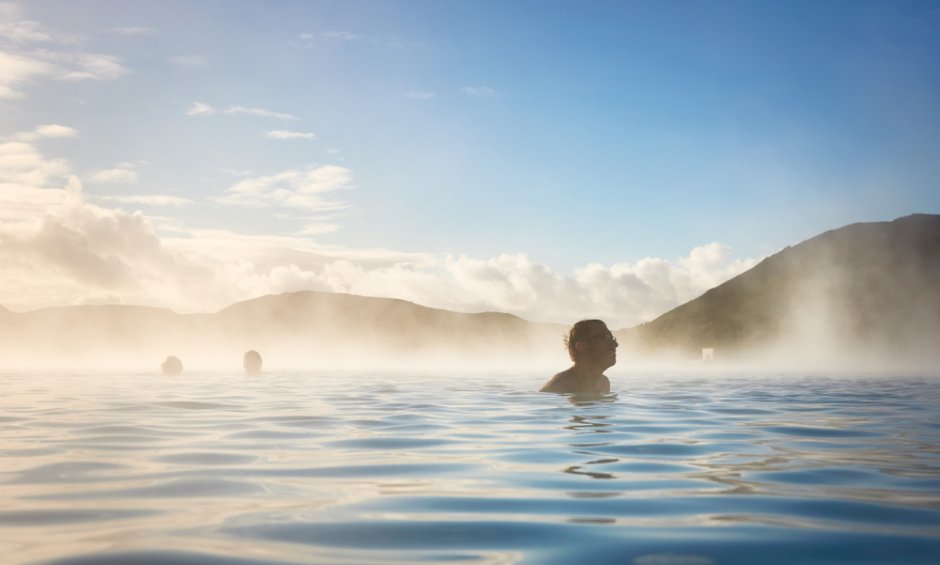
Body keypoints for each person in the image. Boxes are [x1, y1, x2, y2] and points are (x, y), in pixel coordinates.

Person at [540, 319, 617, 393]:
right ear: (582, 347)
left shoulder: (603, 383)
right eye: (606, 338)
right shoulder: (557, 388)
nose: (615, 344)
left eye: (612, 339)